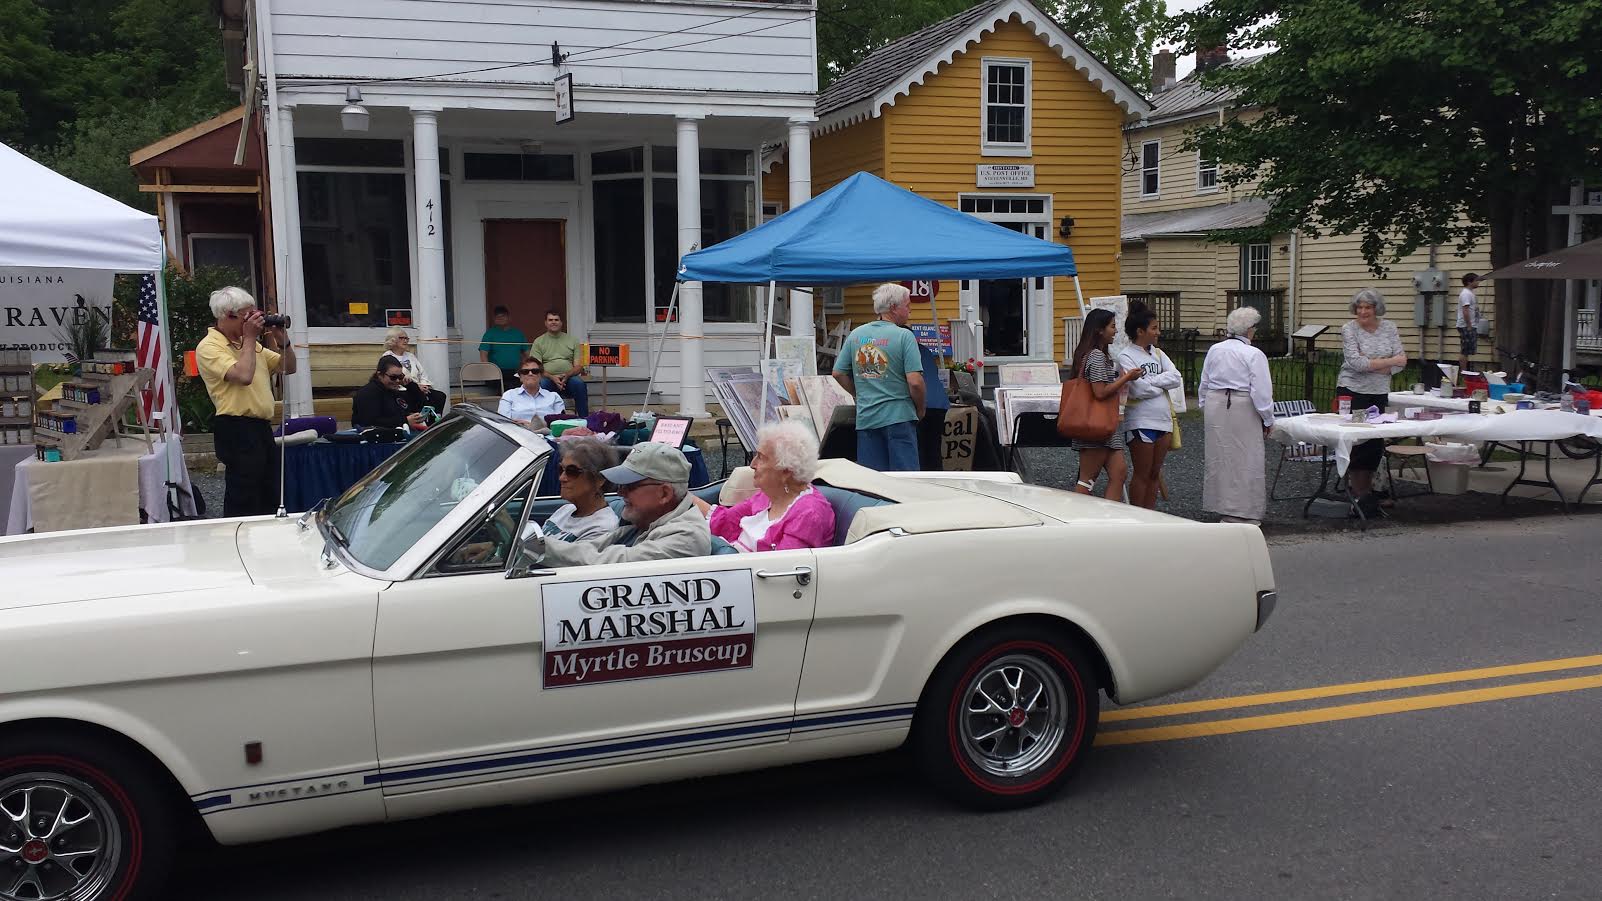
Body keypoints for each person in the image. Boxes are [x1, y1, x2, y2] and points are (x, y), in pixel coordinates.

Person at [196, 286, 298, 517]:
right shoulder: (209, 346)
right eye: (248, 315)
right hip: (236, 427)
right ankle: (238, 532)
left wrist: (282, 340)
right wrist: (250, 338)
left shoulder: (250, 344)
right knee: (244, 494)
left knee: (270, 491)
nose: (255, 320)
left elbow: (288, 367)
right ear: (228, 315)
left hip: (261, 427)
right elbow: (243, 376)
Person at [541, 442, 711, 565]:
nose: (620, 492)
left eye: (629, 486)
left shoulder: (687, 537)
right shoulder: (647, 521)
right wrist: (535, 544)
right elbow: (589, 547)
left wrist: (537, 547)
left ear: (664, 493)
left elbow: (611, 562)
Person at [691, 420, 835, 552]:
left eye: (761, 457)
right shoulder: (768, 496)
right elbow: (724, 522)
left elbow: (782, 567)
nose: (752, 464)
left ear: (786, 471)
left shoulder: (808, 514)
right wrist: (683, 496)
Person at [832, 283, 925, 471]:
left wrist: (858, 393)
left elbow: (838, 373)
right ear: (894, 307)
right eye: (907, 305)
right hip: (899, 416)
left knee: (873, 480)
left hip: (867, 417)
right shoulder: (904, 336)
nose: (910, 310)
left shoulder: (856, 334)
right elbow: (915, 382)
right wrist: (921, 408)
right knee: (905, 479)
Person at [1198, 306, 1274, 524]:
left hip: (1215, 403)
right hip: (1242, 405)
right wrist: (1268, 418)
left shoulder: (1215, 350)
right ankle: (1244, 510)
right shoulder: (1254, 354)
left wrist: (1205, 405)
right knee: (1246, 456)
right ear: (1249, 329)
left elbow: (1204, 381)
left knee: (1220, 456)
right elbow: (1261, 391)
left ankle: (1223, 505)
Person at [1338, 288, 1407, 517]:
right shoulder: (1349, 329)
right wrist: (1388, 362)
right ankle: (1359, 495)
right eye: (1359, 307)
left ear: (1377, 309)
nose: (1363, 312)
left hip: (1379, 392)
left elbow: (1402, 361)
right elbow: (1356, 363)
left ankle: (1370, 493)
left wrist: (1378, 364)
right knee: (1359, 439)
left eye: (1368, 307)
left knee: (1375, 441)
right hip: (1353, 391)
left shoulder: (1390, 327)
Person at [1069, 308, 1143, 499]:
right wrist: (1126, 377)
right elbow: (1100, 392)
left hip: (1105, 426)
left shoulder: (1095, 355)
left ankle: (1110, 514)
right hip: (1095, 425)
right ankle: (1074, 514)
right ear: (1099, 330)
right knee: (1087, 479)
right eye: (1112, 326)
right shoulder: (1095, 356)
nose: (1115, 331)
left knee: (1119, 473)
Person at [1118, 303, 1184, 509]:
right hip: (1141, 420)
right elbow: (1138, 390)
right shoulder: (1126, 356)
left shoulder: (1158, 354)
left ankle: (1150, 514)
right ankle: (1138, 515)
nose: (1158, 332)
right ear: (1140, 331)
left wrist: (1151, 381)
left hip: (1163, 420)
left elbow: (1176, 377)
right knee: (1142, 473)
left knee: (1155, 473)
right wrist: (1160, 384)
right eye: (1154, 328)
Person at [544, 438, 621, 542]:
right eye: (561, 469)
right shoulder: (566, 509)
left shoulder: (602, 529)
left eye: (572, 471)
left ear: (599, 479)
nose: (561, 478)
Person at [530, 310, 588, 416]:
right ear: (545, 323)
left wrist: (567, 375)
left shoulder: (573, 340)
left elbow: (579, 366)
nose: (553, 322)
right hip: (547, 378)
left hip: (569, 378)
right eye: (550, 320)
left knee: (579, 384)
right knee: (542, 384)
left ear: (561, 323)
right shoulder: (539, 342)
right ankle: (545, 418)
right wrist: (552, 377)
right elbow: (535, 367)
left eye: (556, 320)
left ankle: (584, 419)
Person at [352, 355, 426, 431]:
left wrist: (410, 386)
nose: (397, 381)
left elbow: (418, 405)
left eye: (400, 377)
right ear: (380, 375)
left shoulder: (393, 391)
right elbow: (369, 422)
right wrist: (405, 421)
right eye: (393, 377)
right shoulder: (368, 393)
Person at [381, 327, 446, 411]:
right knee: (421, 400)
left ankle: (434, 418)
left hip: (418, 388)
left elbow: (422, 372)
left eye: (406, 338)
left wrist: (424, 384)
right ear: (393, 340)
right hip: (401, 389)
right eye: (402, 338)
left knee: (439, 396)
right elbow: (394, 378)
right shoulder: (387, 357)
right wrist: (417, 387)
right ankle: (423, 417)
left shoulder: (410, 356)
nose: (405, 341)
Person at [915, 340, 952, 471]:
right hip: (939, 403)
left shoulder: (906, 351)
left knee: (920, 449)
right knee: (934, 447)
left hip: (922, 402)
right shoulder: (925, 350)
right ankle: (936, 476)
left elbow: (913, 381)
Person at [498, 356, 565, 426]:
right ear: (520, 377)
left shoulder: (554, 397)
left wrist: (531, 425)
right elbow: (503, 424)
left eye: (535, 371)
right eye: (525, 372)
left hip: (548, 432)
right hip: (517, 432)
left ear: (541, 376)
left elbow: (561, 424)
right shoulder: (509, 396)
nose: (530, 374)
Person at [479, 306, 528, 391]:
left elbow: (527, 353)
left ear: (509, 318)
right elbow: (483, 354)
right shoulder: (489, 334)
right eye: (497, 316)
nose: (500, 318)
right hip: (496, 373)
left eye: (503, 316)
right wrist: (488, 371)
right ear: (494, 319)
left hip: (515, 372)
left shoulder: (518, 334)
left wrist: (525, 368)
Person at [1457, 273, 1482, 372]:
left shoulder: (1470, 293)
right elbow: (1465, 310)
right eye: (1476, 280)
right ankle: (1464, 372)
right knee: (1465, 350)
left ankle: (1466, 371)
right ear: (1469, 282)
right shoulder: (1466, 294)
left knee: (1468, 350)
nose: (1478, 282)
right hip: (1466, 325)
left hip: (1470, 325)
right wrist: (1469, 325)